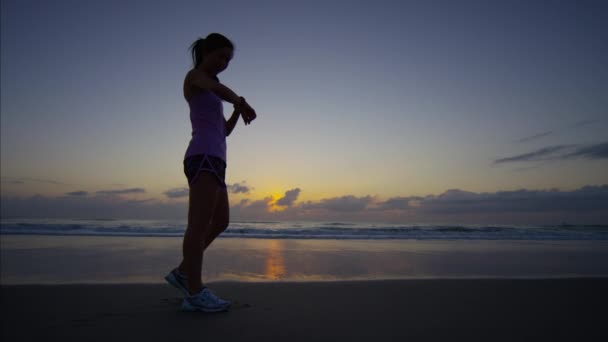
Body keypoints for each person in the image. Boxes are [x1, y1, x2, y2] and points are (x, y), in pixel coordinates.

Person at [164, 33, 257, 313]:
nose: (224, 62)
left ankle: (183, 272)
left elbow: (224, 131)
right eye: (220, 56)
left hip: (217, 159)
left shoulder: (215, 91)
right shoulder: (195, 78)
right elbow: (220, 91)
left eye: (228, 59)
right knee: (199, 224)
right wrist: (240, 101)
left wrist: (237, 113)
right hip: (201, 156)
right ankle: (194, 291)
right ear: (206, 52)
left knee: (221, 221)